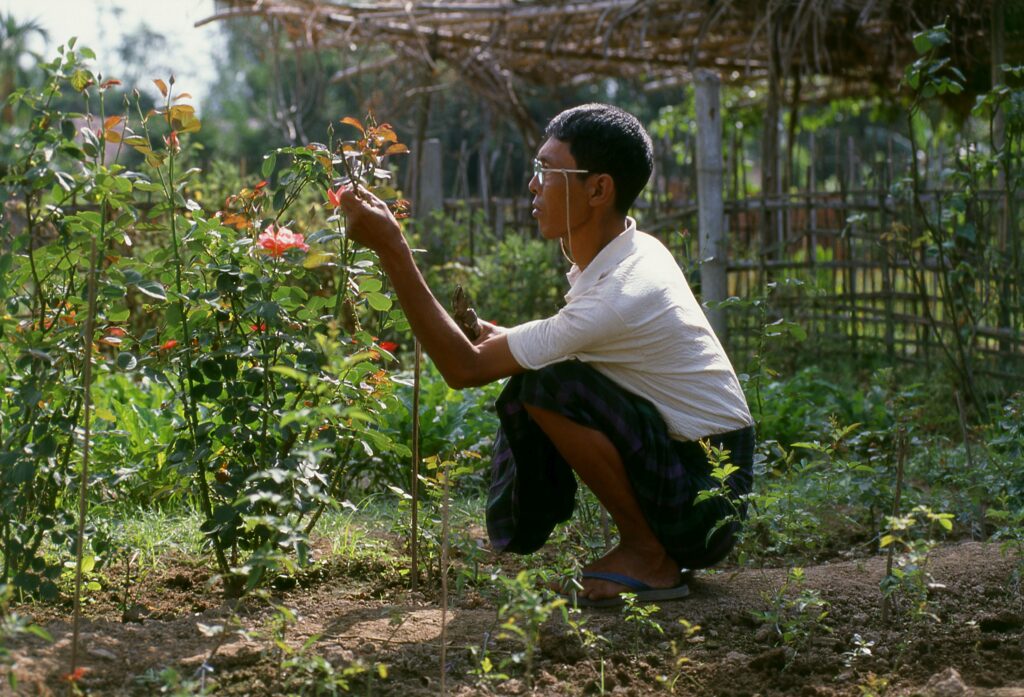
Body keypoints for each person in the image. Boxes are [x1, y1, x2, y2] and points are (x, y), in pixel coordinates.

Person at [338, 103, 755, 607]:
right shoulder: (633, 251)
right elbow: (559, 345)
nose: (533, 185)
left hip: (706, 500)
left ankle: (650, 556)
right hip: (706, 475)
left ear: (598, 189)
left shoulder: (617, 293)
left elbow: (463, 369)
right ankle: (647, 547)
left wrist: (392, 248)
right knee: (545, 374)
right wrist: (491, 334)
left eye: (546, 170)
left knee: (546, 386)